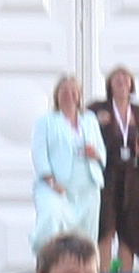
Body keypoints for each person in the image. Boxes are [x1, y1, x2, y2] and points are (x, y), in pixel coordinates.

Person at [93, 66, 139, 273]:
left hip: (133, 176)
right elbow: (83, 130)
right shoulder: (98, 108)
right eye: (117, 78)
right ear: (109, 84)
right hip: (107, 175)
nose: (122, 82)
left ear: (132, 84)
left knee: (130, 230)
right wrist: (97, 121)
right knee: (105, 227)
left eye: (126, 79)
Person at [31, 75, 105, 253]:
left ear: (79, 96)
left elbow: (101, 151)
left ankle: (85, 267)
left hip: (87, 186)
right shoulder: (46, 121)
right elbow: (39, 152)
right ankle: (47, 261)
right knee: (51, 221)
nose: (69, 96)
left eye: (73, 92)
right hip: (58, 185)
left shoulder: (90, 119)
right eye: (64, 91)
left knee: (86, 236)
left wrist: (94, 154)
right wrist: (50, 180)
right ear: (56, 95)